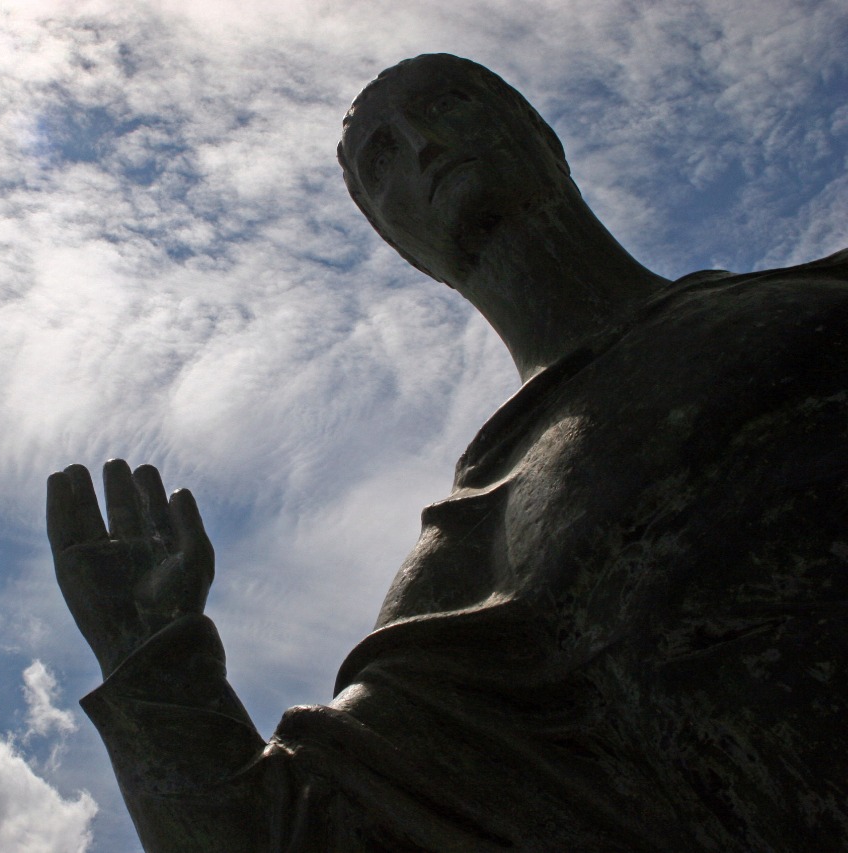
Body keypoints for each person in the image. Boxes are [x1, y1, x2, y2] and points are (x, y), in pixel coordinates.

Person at [48, 54, 848, 851]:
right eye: (383, 156)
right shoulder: (474, 548)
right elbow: (291, 833)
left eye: (447, 103)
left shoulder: (817, 297)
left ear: (536, 131)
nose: (425, 145)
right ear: (396, 240)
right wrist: (154, 659)